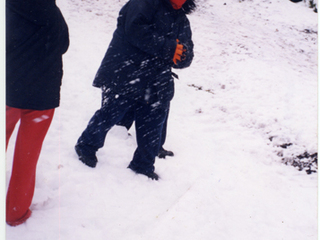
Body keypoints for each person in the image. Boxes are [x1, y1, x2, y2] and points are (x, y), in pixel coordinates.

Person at [75, 0, 196, 180]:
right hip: (126, 71)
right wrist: (169, 48)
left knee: (153, 123)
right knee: (111, 113)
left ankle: (143, 165)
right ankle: (87, 146)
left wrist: (182, 55)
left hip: (156, 79)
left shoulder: (182, 20)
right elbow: (134, 29)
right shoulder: (146, 2)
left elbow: (188, 52)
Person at [6, 0, 69, 226]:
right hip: (41, 96)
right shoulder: (52, 13)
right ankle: (16, 212)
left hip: (8, 90)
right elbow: (62, 44)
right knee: (27, 156)